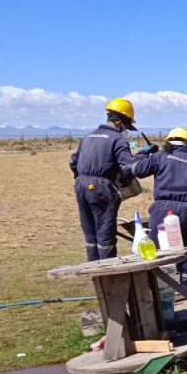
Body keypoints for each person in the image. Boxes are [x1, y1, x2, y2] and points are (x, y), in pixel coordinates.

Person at [131, 127, 187, 297]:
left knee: (156, 255)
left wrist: (144, 152)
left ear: (168, 142)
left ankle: (156, 294)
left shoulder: (160, 156)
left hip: (163, 210)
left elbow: (137, 169)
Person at [70, 98, 141, 261]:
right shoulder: (117, 139)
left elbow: (73, 162)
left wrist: (84, 178)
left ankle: (93, 270)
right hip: (101, 188)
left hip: (81, 186)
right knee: (105, 235)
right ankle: (108, 272)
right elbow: (129, 166)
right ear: (119, 122)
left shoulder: (88, 136)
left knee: (90, 234)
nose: (126, 130)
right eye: (126, 126)